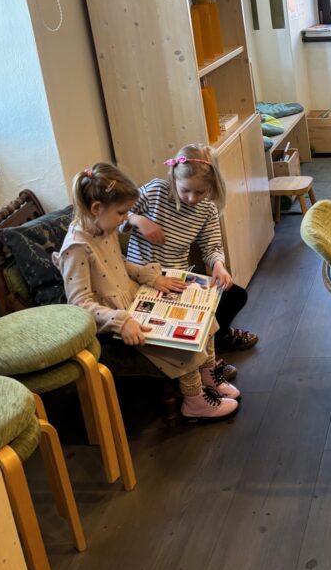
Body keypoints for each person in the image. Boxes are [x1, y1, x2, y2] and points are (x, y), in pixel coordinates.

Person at [55, 163, 239, 421]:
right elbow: (80, 304)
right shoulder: (76, 248)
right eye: (122, 213)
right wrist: (121, 321)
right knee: (183, 344)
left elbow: (119, 263)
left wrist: (151, 276)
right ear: (96, 208)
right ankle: (195, 401)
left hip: (135, 299)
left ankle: (208, 375)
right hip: (116, 319)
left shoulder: (102, 227)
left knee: (203, 318)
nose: (125, 219)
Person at [125, 144, 257, 381]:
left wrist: (218, 265)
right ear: (173, 177)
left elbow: (212, 245)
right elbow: (118, 214)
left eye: (200, 192)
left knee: (235, 295)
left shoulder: (207, 209)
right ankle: (206, 357)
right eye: (185, 190)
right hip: (141, 279)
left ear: (212, 186)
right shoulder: (155, 191)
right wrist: (138, 220)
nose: (191, 199)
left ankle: (215, 340)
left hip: (177, 279)